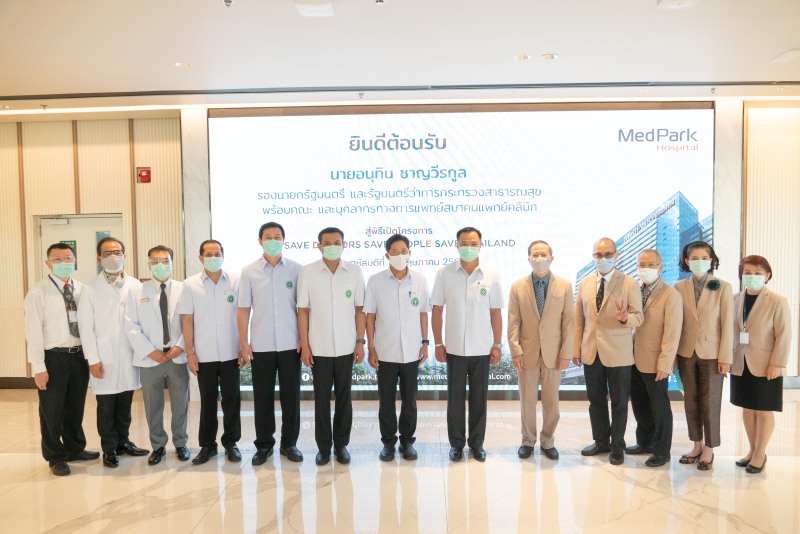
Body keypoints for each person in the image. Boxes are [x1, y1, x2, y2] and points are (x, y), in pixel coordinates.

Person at [24, 242, 99, 476]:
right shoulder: (38, 293)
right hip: (53, 358)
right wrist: (39, 367)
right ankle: (55, 456)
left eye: (68, 259)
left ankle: (75, 448)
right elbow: (33, 332)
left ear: (75, 261)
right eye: (57, 259)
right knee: (52, 410)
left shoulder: (83, 290)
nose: (63, 263)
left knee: (75, 407)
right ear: (48, 263)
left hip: (78, 356)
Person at [431, 227, 504, 462]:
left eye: (473, 243)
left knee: (479, 399)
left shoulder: (491, 274)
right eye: (464, 243)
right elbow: (437, 310)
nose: (469, 247)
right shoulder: (445, 273)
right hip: (454, 349)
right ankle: (456, 445)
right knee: (455, 399)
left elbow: (495, 313)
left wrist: (497, 344)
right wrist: (438, 343)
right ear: (457, 245)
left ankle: (477, 444)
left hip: (482, 348)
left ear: (480, 245)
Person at [77, 237, 149, 469]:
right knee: (106, 407)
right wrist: (92, 359)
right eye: (107, 253)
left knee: (125, 405)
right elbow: (85, 328)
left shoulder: (136, 285)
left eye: (117, 252)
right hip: (103, 355)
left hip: (129, 354)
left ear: (125, 256)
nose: (113, 257)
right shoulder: (90, 288)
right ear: (99, 258)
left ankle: (123, 443)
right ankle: (109, 448)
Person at [297, 227, 366, 466]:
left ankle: (341, 445)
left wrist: (360, 342)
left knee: (345, 398)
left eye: (337, 242)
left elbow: (360, 310)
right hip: (319, 347)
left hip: (347, 346)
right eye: (327, 243)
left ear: (344, 245)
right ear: (319, 246)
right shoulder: (308, 272)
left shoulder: (354, 272)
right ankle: (324, 448)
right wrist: (305, 345)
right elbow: (302, 311)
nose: (332, 246)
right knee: (321, 399)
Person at [238, 221, 304, 465]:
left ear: (284, 240)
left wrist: (304, 339)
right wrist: (244, 343)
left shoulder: (297, 270)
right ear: (260, 241)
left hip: (291, 344)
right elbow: (243, 309)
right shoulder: (249, 271)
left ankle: (289, 443)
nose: (273, 241)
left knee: (291, 397)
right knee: (262, 397)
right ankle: (264, 445)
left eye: (277, 237)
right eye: (268, 237)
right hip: (261, 345)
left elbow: (303, 309)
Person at [574, 237, 643, 465]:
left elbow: (639, 317)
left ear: (616, 255)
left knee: (619, 403)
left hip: (618, 353)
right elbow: (578, 320)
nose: (603, 258)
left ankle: (617, 446)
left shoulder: (629, 283)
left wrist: (625, 318)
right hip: (591, 351)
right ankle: (601, 441)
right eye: (599, 254)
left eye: (608, 254)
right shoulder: (584, 283)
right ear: (593, 256)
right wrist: (576, 349)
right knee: (595, 401)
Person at [364, 234, 431, 462]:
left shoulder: (420, 280)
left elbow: (423, 313)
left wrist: (425, 342)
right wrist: (371, 348)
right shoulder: (375, 281)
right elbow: (370, 316)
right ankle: (388, 443)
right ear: (387, 255)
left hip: (412, 351)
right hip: (385, 351)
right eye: (395, 252)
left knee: (410, 400)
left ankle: (407, 441)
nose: (400, 255)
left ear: (409, 253)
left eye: (404, 251)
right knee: (386, 400)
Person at [507, 240, 573, 461]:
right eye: (535, 255)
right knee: (527, 400)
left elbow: (569, 322)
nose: (539, 258)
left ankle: (548, 441)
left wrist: (566, 353)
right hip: (527, 352)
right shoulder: (518, 286)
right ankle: (527, 441)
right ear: (528, 258)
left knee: (551, 402)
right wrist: (515, 350)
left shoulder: (564, 285)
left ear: (552, 258)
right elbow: (513, 321)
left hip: (554, 354)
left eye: (543, 254)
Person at [124, 245, 189, 466]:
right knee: (153, 404)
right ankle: (158, 445)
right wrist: (150, 351)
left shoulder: (184, 289)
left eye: (165, 260)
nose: (160, 265)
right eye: (155, 261)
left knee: (180, 402)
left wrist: (180, 346)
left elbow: (191, 321)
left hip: (176, 355)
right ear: (149, 263)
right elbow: (131, 325)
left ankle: (180, 443)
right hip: (150, 357)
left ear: (172, 263)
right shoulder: (137, 291)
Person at [180, 240, 242, 465]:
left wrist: (244, 346)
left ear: (223, 256)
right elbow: (187, 320)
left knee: (231, 399)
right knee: (207, 401)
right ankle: (208, 445)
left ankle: (231, 443)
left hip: (231, 352)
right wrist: (190, 353)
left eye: (217, 254)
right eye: (208, 254)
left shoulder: (236, 281)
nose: (213, 257)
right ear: (200, 258)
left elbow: (243, 315)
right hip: (203, 354)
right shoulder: (190, 284)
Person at [674, 241, 733, 471]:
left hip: (713, 354)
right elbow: (676, 323)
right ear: (687, 261)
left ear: (711, 261)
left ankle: (709, 448)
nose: (699, 262)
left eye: (704, 258)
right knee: (691, 401)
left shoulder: (723, 287)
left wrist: (725, 357)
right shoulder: (679, 286)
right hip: (686, 352)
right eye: (694, 258)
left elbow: (727, 325)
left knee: (710, 402)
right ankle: (696, 445)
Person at [730, 255, 791, 474]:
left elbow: (784, 335)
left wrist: (777, 363)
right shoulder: (735, 299)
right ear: (741, 276)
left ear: (767, 275)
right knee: (747, 408)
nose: (752, 276)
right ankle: (752, 450)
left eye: (758, 273)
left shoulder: (777, 301)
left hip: (766, 365)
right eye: (747, 272)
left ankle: (760, 454)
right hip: (740, 362)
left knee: (763, 411)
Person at [626, 249, 681, 467]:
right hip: (632, 358)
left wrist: (665, 363)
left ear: (660, 267)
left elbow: (672, 333)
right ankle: (645, 442)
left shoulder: (670, 295)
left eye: (650, 265)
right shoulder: (635, 290)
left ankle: (661, 451)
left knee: (659, 407)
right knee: (640, 404)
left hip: (655, 360)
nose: (645, 269)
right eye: (642, 264)